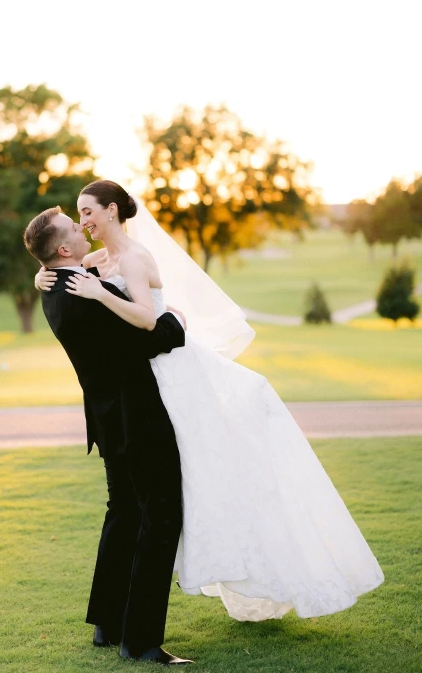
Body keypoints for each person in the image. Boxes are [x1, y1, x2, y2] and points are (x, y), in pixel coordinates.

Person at [35, 180, 384, 624]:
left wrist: (119, 300)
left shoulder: (130, 260)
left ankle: (122, 622)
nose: (83, 222)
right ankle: (136, 631)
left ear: (111, 211)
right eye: (76, 217)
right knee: (151, 510)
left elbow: (139, 317)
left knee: (189, 483)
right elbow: (137, 328)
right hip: (141, 390)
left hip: (162, 381)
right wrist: (47, 273)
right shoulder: (87, 264)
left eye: (87, 212)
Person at [23, 206, 194, 665]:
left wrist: (39, 274)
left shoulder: (57, 283)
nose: (83, 229)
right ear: (63, 248)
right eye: (74, 228)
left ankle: (108, 622)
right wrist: (175, 322)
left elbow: (74, 278)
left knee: (123, 514)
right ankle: (139, 640)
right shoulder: (80, 293)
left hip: (107, 420)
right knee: (159, 519)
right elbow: (147, 340)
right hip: (135, 420)